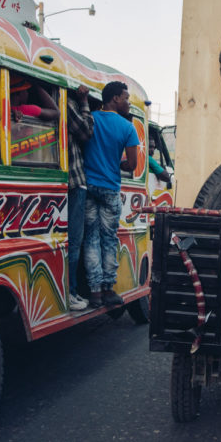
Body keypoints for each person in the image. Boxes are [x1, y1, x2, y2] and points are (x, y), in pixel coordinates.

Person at [82, 81, 139, 307]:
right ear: (115, 98)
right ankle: (108, 290)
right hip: (110, 188)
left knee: (91, 239)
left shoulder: (91, 119)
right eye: (125, 98)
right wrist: (118, 164)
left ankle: (94, 292)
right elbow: (133, 164)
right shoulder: (127, 127)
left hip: (88, 187)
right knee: (108, 240)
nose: (128, 102)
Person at [66, 85, 94, 312]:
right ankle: (71, 291)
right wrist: (84, 102)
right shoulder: (68, 104)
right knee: (75, 241)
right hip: (75, 181)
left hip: (66, 182)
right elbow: (86, 132)